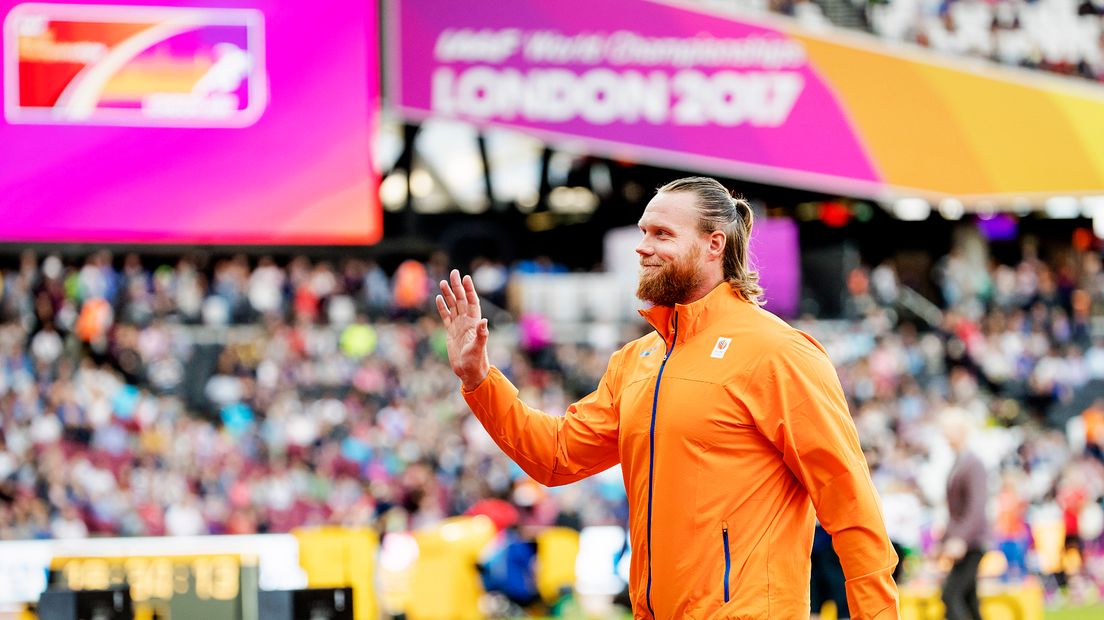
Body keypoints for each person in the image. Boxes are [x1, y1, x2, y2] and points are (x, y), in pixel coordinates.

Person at [436, 176, 899, 619]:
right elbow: (555, 456)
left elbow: (850, 502)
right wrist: (480, 379)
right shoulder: (635, 361)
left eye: (661, 234)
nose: (642, 247)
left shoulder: (779, 353)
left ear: (714, 244)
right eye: (643, 232)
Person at [939, 413, 989, 620]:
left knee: (950, 595)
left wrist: (960, 539)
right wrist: (944, 540)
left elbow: (976, 507)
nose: (944, 434)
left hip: (972, 543)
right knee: (969, 600)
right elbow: (955, 511)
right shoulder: (959, 462)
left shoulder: (972, 463)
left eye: (948, 429)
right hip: (965, 541)